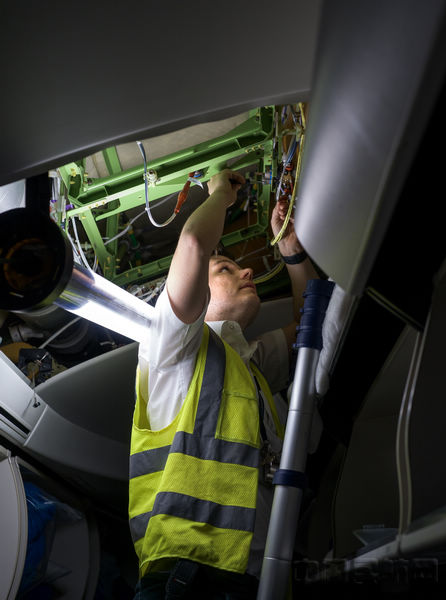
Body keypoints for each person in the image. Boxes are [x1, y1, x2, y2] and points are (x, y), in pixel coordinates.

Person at [129, 169, 319, 599]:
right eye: (226, 268)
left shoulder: (247, 364)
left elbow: (312, 329)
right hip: (189, 578)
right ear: (198, 287)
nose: (247, 269)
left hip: (257, 578)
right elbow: (194, 244)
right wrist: (219, 193)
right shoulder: (173, 347)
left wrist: (291, 254)